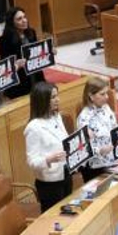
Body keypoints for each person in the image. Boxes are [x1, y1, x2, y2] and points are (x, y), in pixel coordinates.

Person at [23, 82, 71, 210]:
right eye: (53, 97)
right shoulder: (33, 128)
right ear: (43, 100)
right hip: (50, 183)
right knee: (55, 218)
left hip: (65, 173)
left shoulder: (57, 117)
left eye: (57, 95)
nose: (58, 100)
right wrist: (49, 159)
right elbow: (32, 161)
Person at [73, 76, 116, 181]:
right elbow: (83, 147)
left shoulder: (106, 108)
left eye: (106, 93)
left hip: (111, 159)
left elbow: (115, 128)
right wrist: (100, 151)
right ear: (91, 96)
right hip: (94, 167)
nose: (107, 97)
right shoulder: (84, 118)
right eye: (102, 94)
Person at [0, 8, 37, 99]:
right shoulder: (4, 40)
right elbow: (6, 64)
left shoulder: (31, 33)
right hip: (19, 82)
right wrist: (17, 65)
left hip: (35, 76)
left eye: (24, 17)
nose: (24, 21)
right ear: (12, 22)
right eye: (19, 19)